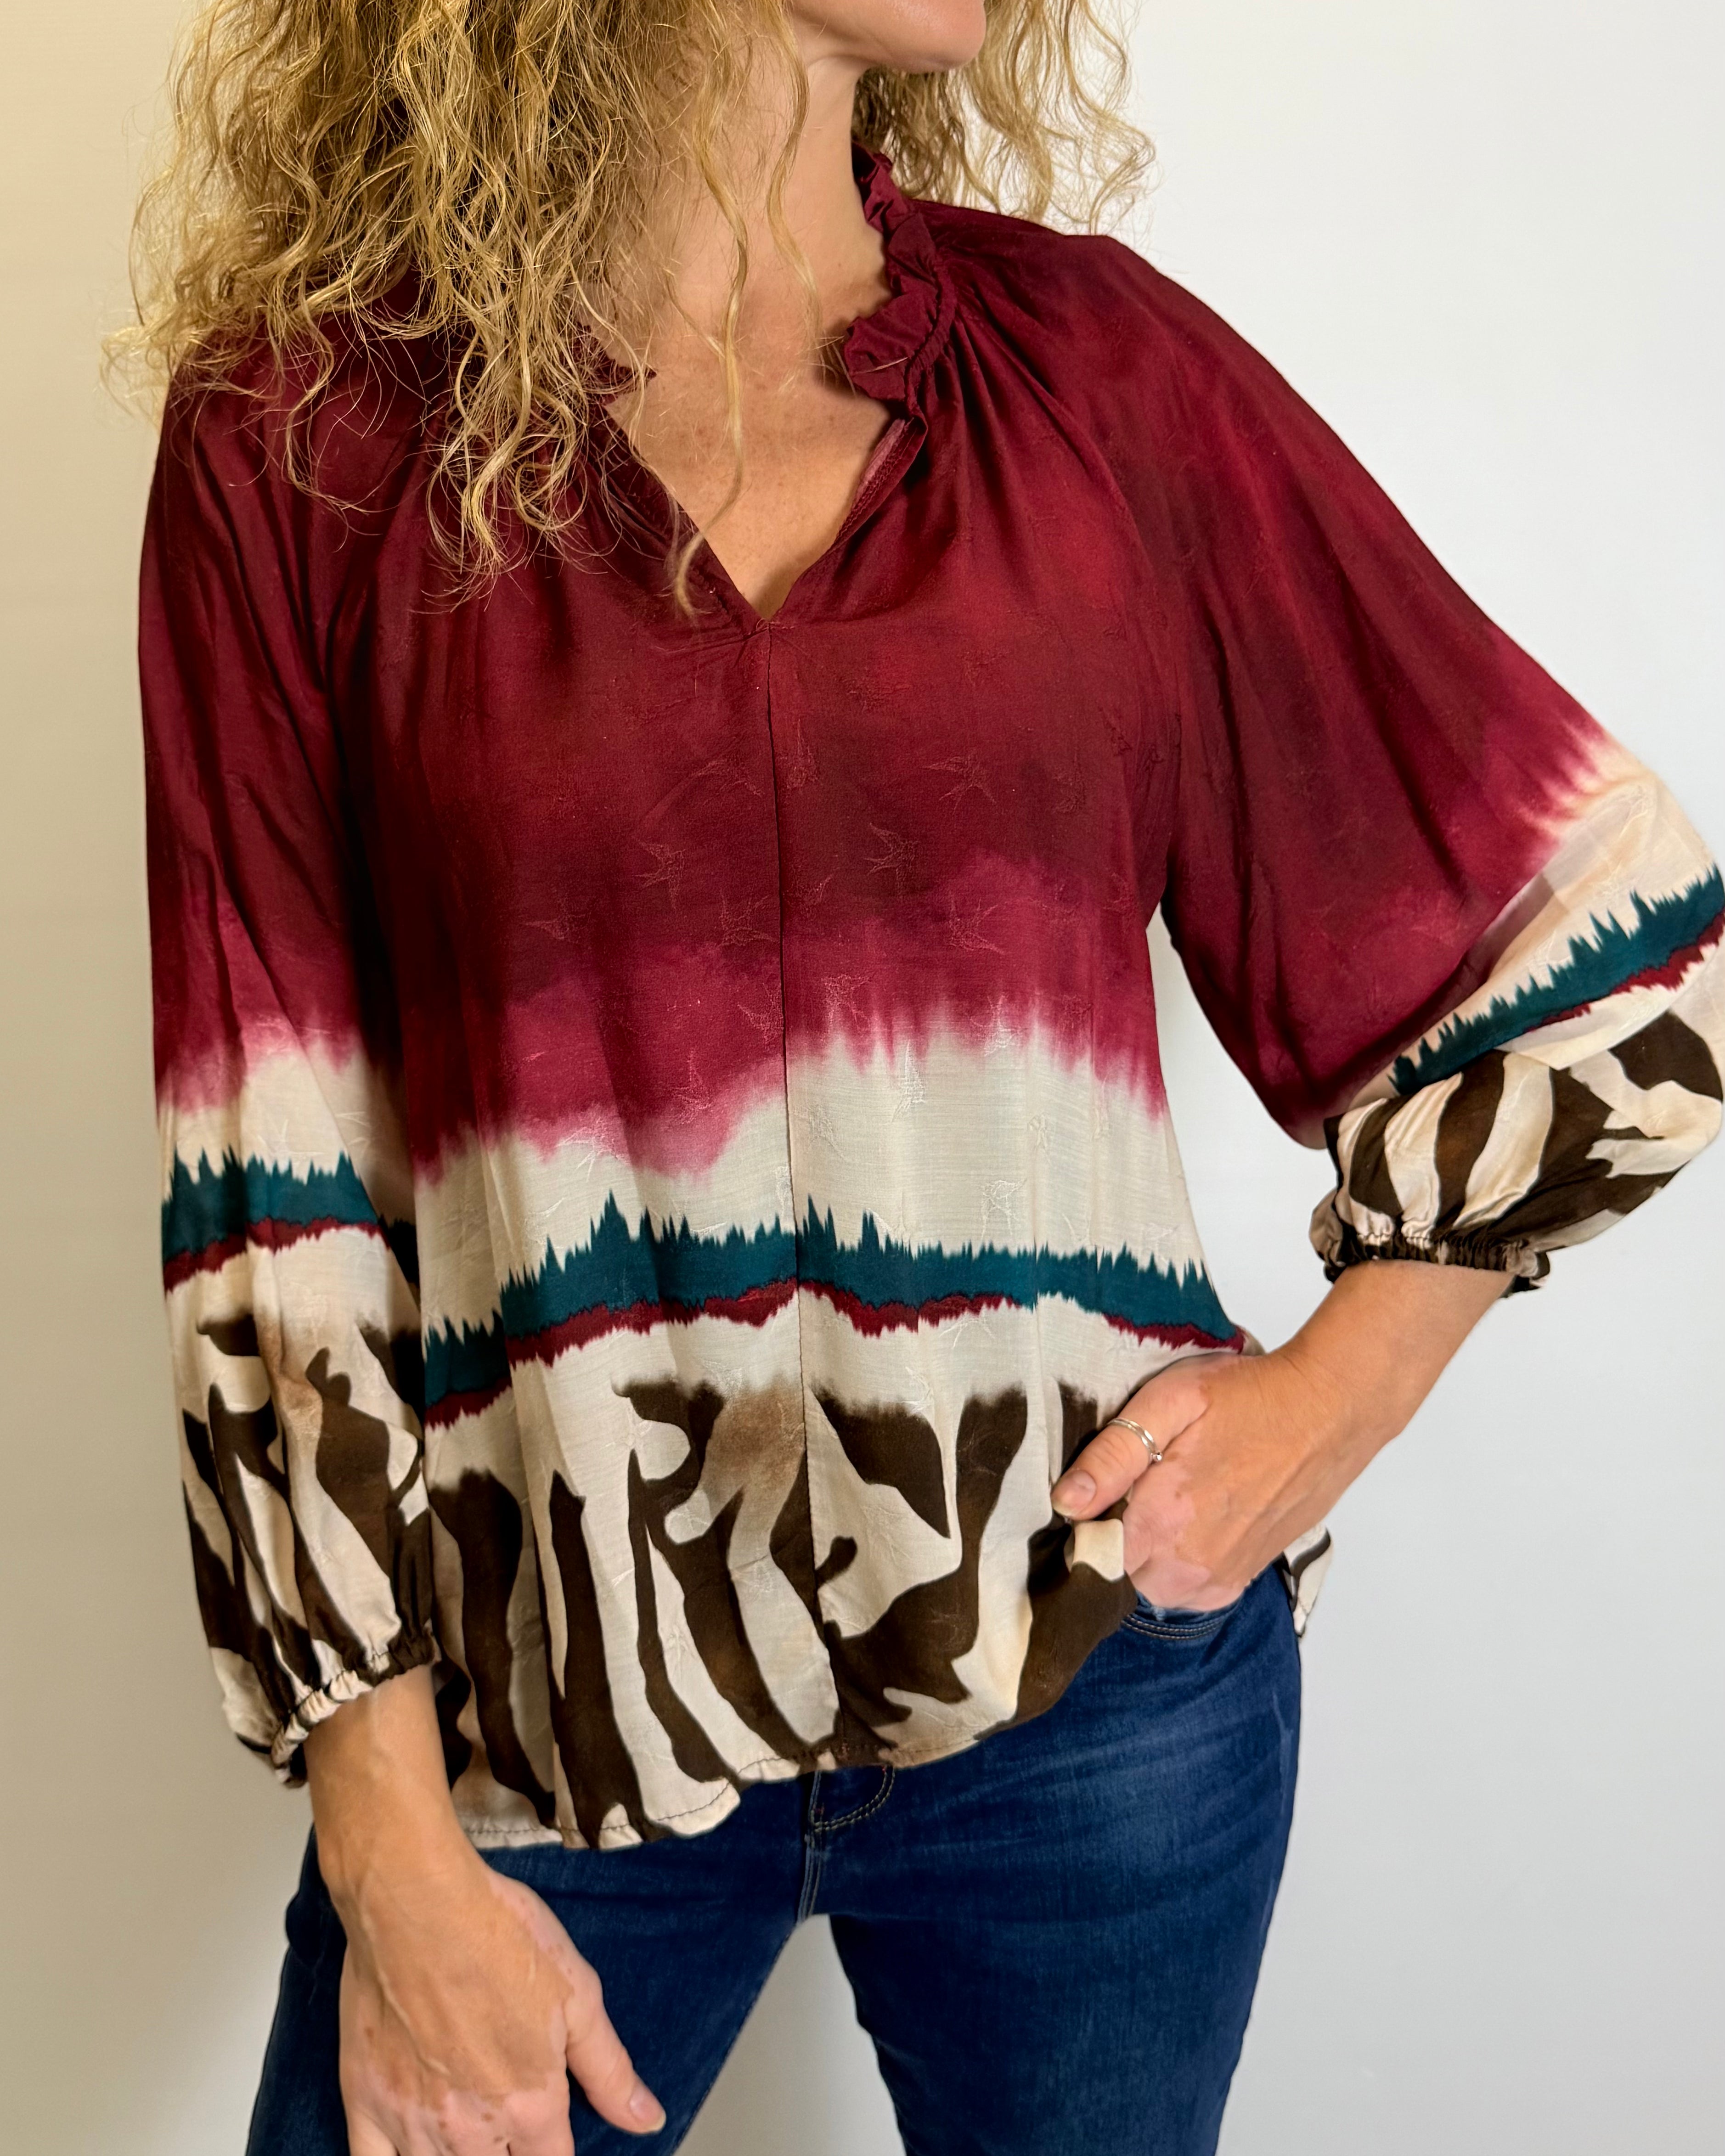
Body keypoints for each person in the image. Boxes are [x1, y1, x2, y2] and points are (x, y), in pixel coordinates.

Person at [126, 0, 1724, 2148]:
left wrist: (1327, 1407)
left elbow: (1603, 946)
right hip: (537, 1730)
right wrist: (388, 1842)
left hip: (1098, 1696)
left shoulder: (1102, 386)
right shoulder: (308, 440)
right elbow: (265, 1202)